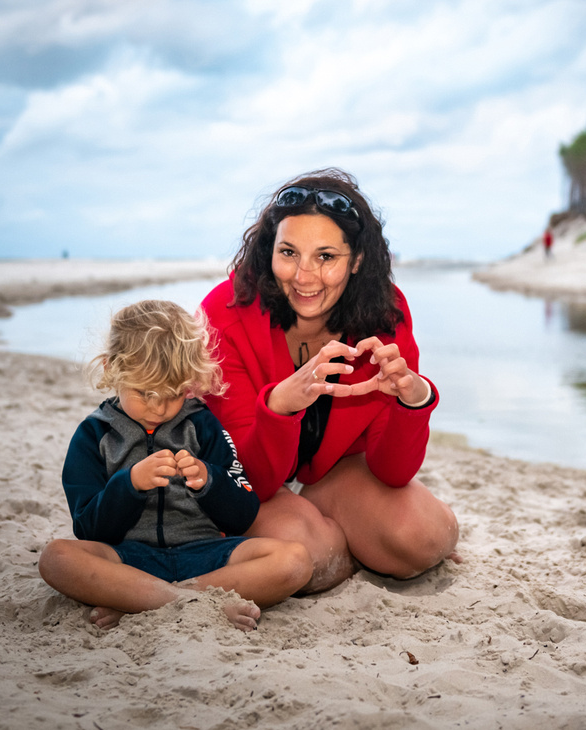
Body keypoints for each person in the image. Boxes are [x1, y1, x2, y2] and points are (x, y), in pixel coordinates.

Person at [200, 168, 460, 595]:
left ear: (356, 259)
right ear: (269, 251)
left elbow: (392, 472)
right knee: (313, 555)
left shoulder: (386, 315)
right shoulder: (225, 313)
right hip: (244, 481)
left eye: (326, 257)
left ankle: (339, 531)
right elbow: (253, 479)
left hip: (333, 474)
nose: (303, 276)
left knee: (425, 537)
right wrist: (280, 406)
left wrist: (415, 400)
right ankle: (342, 541)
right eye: (288, 252)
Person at [38, 300, 312, 631]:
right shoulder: (93, 435)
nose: (159, 407)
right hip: (129, 560)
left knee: (295, 561)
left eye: (174, 393)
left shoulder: (203, 424)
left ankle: (146, 602)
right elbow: (88, 528)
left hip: (206, 558)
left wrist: (209, 481)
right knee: (56, 558)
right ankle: (191, 604)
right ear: (113, 369)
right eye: (145, 392)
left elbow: (243, 513)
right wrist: (131, 485)